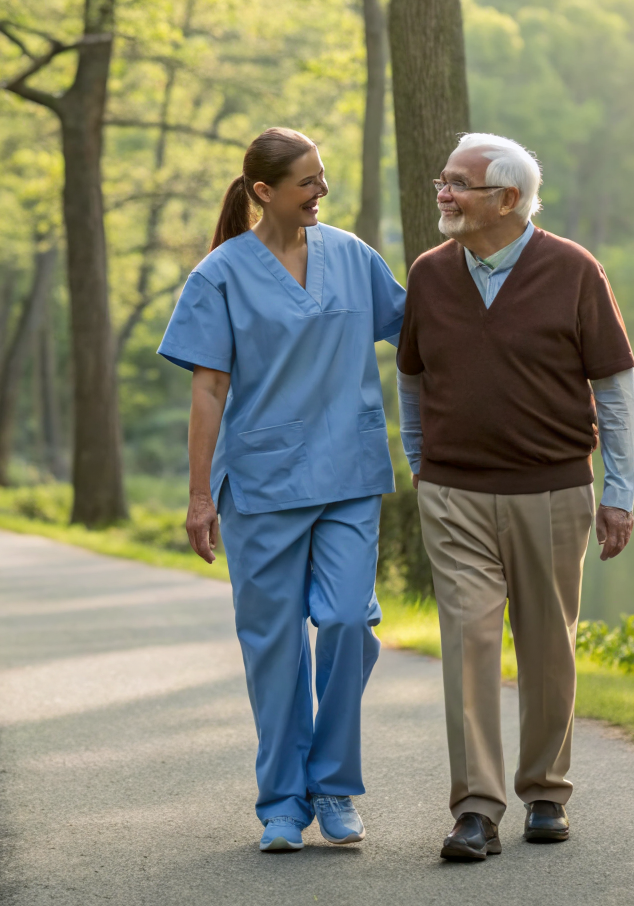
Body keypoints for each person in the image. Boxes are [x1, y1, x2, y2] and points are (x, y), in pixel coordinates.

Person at [158, 127, 406, 853]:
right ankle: (282, 803)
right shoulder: (219, 275)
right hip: (262, 482)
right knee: (272, 647)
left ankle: (333, 783)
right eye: (306, 181)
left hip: (349, 474)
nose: (321, 190)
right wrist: (199, 497)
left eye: (322, 176)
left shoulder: (354, 258)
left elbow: (422, 332)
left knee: (347, 623)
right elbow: (208, 390)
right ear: (263, 193)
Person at [396, 133, 634, 861]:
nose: (443, 193)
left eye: (458, 183)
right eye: (442, 180)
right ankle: (474, 809)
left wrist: (619, 492)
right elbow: (411, 379)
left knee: (546, 646)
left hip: (551, 489)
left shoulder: (572, 270)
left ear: (506, 198)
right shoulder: (430, 274)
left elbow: (616, 391)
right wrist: (420, 462)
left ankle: (544, 792)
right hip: (454, 494)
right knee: (467, 645)